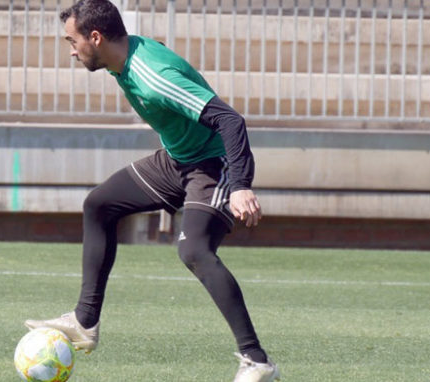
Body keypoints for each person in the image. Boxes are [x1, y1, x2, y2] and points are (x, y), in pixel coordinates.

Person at [23, 1, 280, 381]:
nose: (72, 51)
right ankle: (84, 322)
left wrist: (240, 186)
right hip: (178, 159)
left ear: (95, 37)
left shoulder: (151, 73)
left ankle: (257, 362)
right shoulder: (120, 61)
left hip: (214, 163)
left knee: (193, 250)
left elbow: (230, 120)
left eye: (72, 41)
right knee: (99, 204)